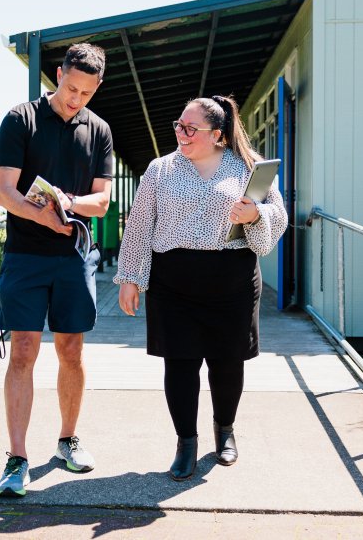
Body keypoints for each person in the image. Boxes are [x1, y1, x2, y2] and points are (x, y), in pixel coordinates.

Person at [114, 95, 287, 481]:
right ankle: (186, 442)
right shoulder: (161, 170)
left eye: (191, 128)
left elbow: (279, 215)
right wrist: (130, 278)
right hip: (173, 282)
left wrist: (256, 213)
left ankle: (225, 431)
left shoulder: (249, 166)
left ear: (218, 135)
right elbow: (141, 225)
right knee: (180, 364)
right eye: (179, 125)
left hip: (233, 280)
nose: (181, 133)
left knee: (227, 363)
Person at [0, 43, 113, 497]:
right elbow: (5, 192)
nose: (75, 99)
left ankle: (67, 440)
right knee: (23, 350)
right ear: (57, 74)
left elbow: (101, 201)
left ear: (95, 88)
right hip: (25, 255)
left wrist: (67, 202)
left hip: (75, 257)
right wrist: (39, 213)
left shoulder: (99, 130)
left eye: (85, 93)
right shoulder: (19, 119)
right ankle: (16, 458)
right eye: (70, 88)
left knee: (71, 352)